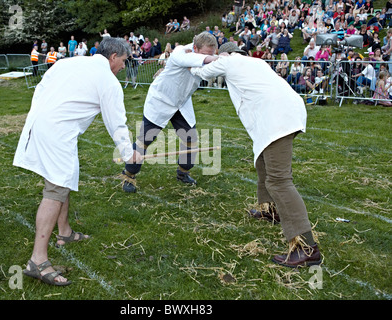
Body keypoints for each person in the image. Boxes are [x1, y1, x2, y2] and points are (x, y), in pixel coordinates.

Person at [13, 37, 143, 286]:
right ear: (113, 57)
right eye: (124, 61)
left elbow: (41, 89)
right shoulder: (108, 80)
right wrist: (129, 154)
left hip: (41, 123)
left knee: (64, 178)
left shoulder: (67, 63)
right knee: (56, 189)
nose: (123, 66)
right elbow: (116, 122)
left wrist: (40, 118)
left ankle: (65, 232)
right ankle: (37, 261)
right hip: (58, 132)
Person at [190, 42, 322, 268]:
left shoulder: (229, 61)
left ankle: (306, 247)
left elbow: (202, 72)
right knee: (263, 162)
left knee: (279, 181)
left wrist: (186, 60)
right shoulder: (255, 61)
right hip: (285, 113)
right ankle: (270, 210)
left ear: (225, 53)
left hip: (276, 118)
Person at [120, 32, 219, 193]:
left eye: (212, 53)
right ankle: (128, 175)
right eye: (206, 54)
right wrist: (223, 59)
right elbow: (199, 60)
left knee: (190, 140)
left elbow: (206, 60)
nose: (210, 57)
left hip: (181, 103)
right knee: (144, 140)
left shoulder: (195, 51)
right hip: (161, 101)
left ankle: (183, 173)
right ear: (195, 48)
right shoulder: (180, 54)